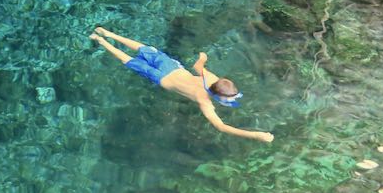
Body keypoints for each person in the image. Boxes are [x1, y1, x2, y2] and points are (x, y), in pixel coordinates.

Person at [90, 26, 274, 143]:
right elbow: (222, 127)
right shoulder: (204, 102)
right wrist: (257, 135)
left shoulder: (211, 79)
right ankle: (100, 40)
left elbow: (196, 66)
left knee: (144, 49)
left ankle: (107, 33)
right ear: (219, 96)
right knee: (129, 61)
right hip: (162, 80)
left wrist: (203, 57)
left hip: (172, 68)